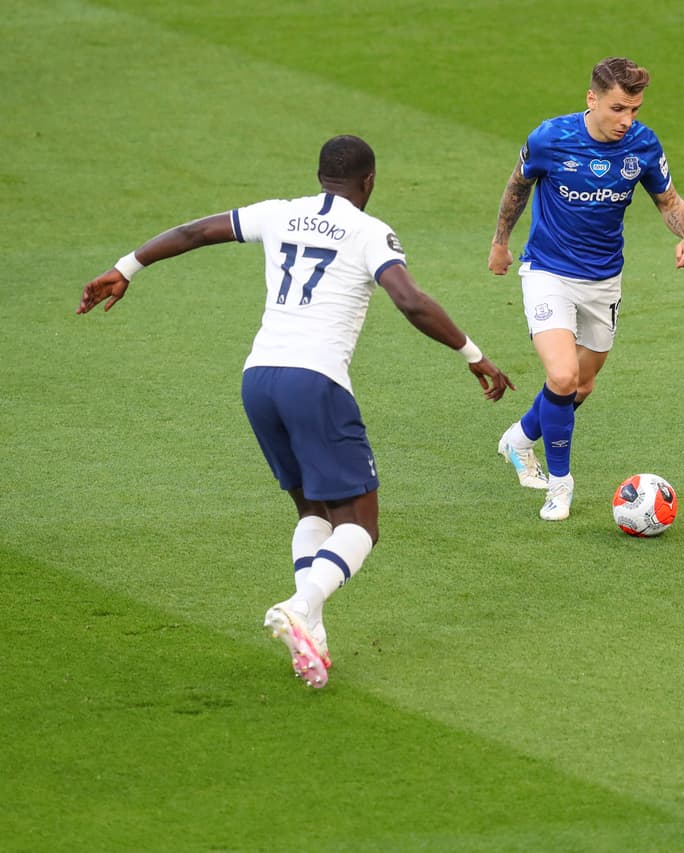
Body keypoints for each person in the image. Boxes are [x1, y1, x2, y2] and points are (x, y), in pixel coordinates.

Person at [77, 135, 515, 689]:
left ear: (319, 176)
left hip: (258, 380)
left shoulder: (278, 214)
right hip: (316, 383)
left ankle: (312, 631)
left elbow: (193, 233)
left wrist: (126, 268)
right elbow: (410, 300)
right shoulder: (368, 232)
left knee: (313, 511)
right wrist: (473, 355)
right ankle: (298, 605)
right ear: (370, 182)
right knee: (360, 525)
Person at [487, 56, 684, 521]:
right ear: (592, 99)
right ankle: (560, 486)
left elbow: (668, 201)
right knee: (562, 376)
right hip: (547, 272)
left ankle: (519, 439)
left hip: (604, 280)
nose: (627, 120)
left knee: (581, 386)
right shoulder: (551, 138)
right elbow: (517, 187)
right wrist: (500, 243)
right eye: (618, 108)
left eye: (635, 110)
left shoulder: (642, 146)